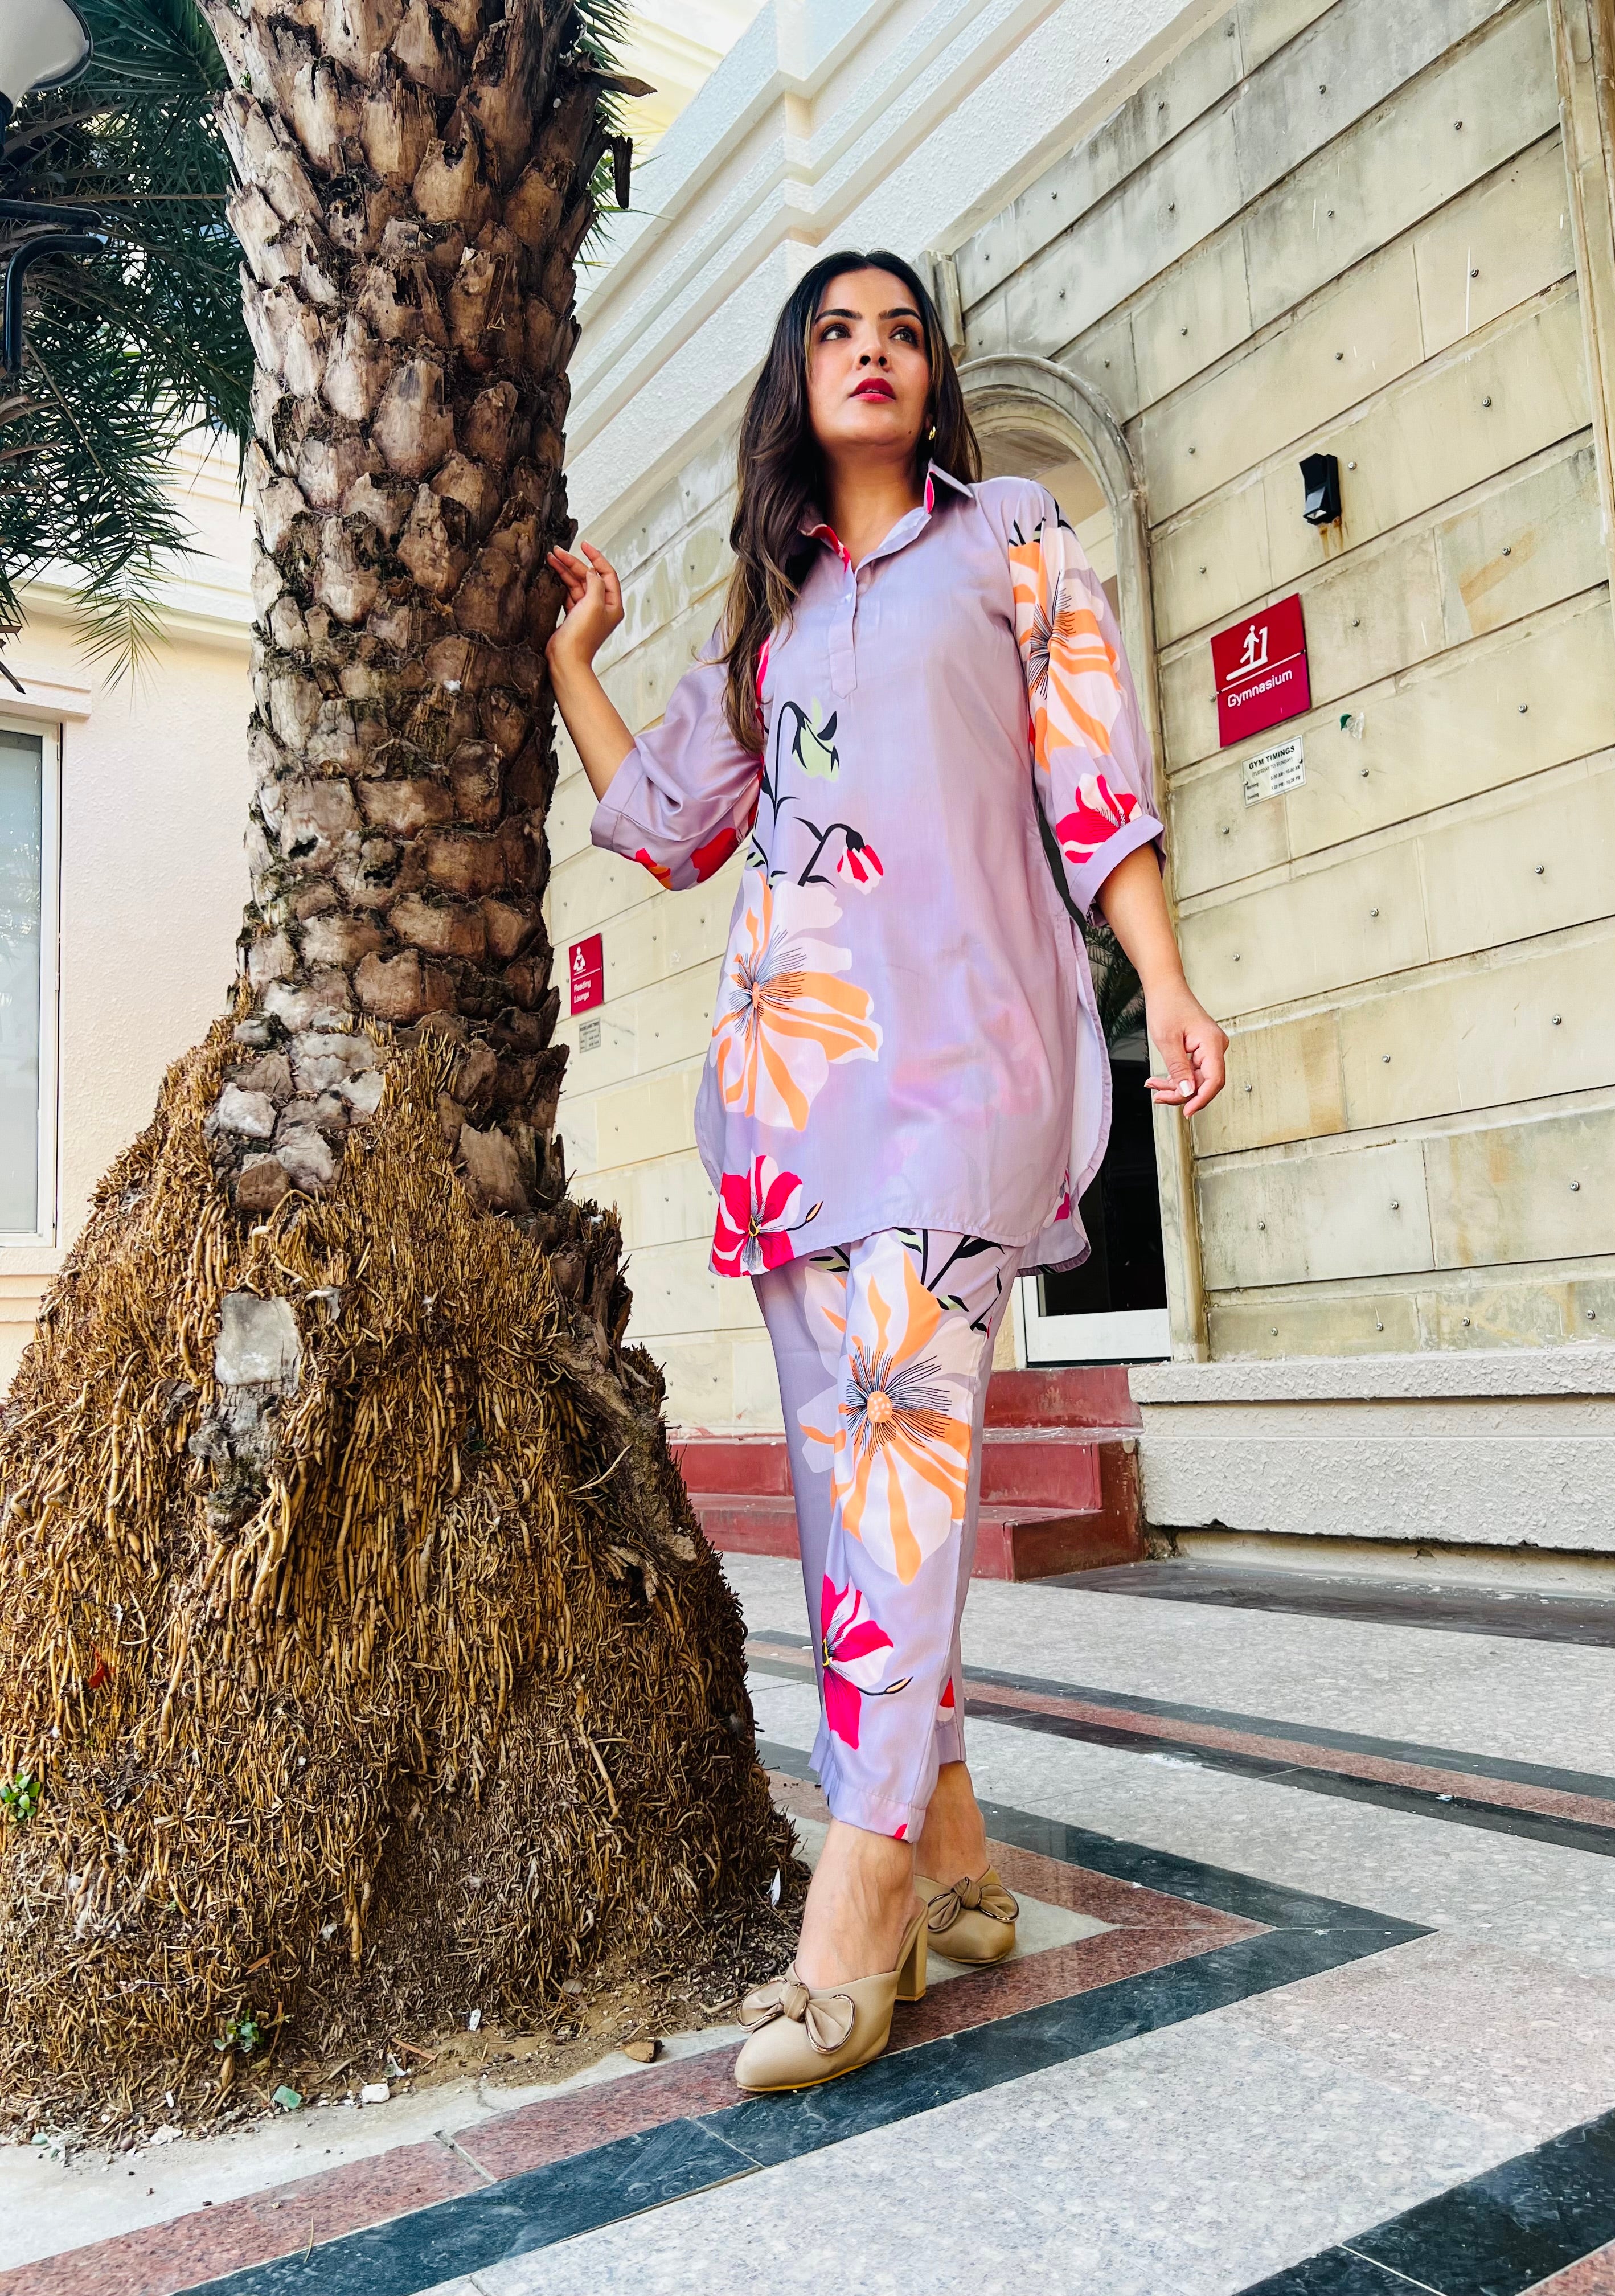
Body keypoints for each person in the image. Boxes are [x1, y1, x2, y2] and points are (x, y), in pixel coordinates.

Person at [546, 248, 1227, 2093]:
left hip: (965, 1070)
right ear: (799, 379)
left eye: (901, 332)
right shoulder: (770, 616)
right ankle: (957, 1863)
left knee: (903, 1466)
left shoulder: (1011, 539)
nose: (873, 354)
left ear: (934, 378)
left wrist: (1163, 984)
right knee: (857, 1504)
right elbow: (668, 827)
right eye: (837, 333)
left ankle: (854, 1910)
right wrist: (572, 661)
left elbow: (1096, 780)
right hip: (793, 1105)